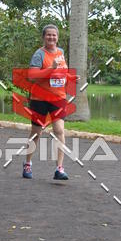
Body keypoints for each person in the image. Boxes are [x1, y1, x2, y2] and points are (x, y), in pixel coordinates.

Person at [23, 25, 70, 181]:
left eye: (54, 35)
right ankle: (28, 163)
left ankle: (59, 168)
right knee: (36, 133)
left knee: (59, 131)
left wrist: (69, 78)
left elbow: (62, 72)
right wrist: (51, 68)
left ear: (58, 37)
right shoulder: (39, 54)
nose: (51, 38)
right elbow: (32, 76)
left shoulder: (61, 52)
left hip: (58, 98)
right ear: (44, 37)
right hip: (40, 99)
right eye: (48, 35)